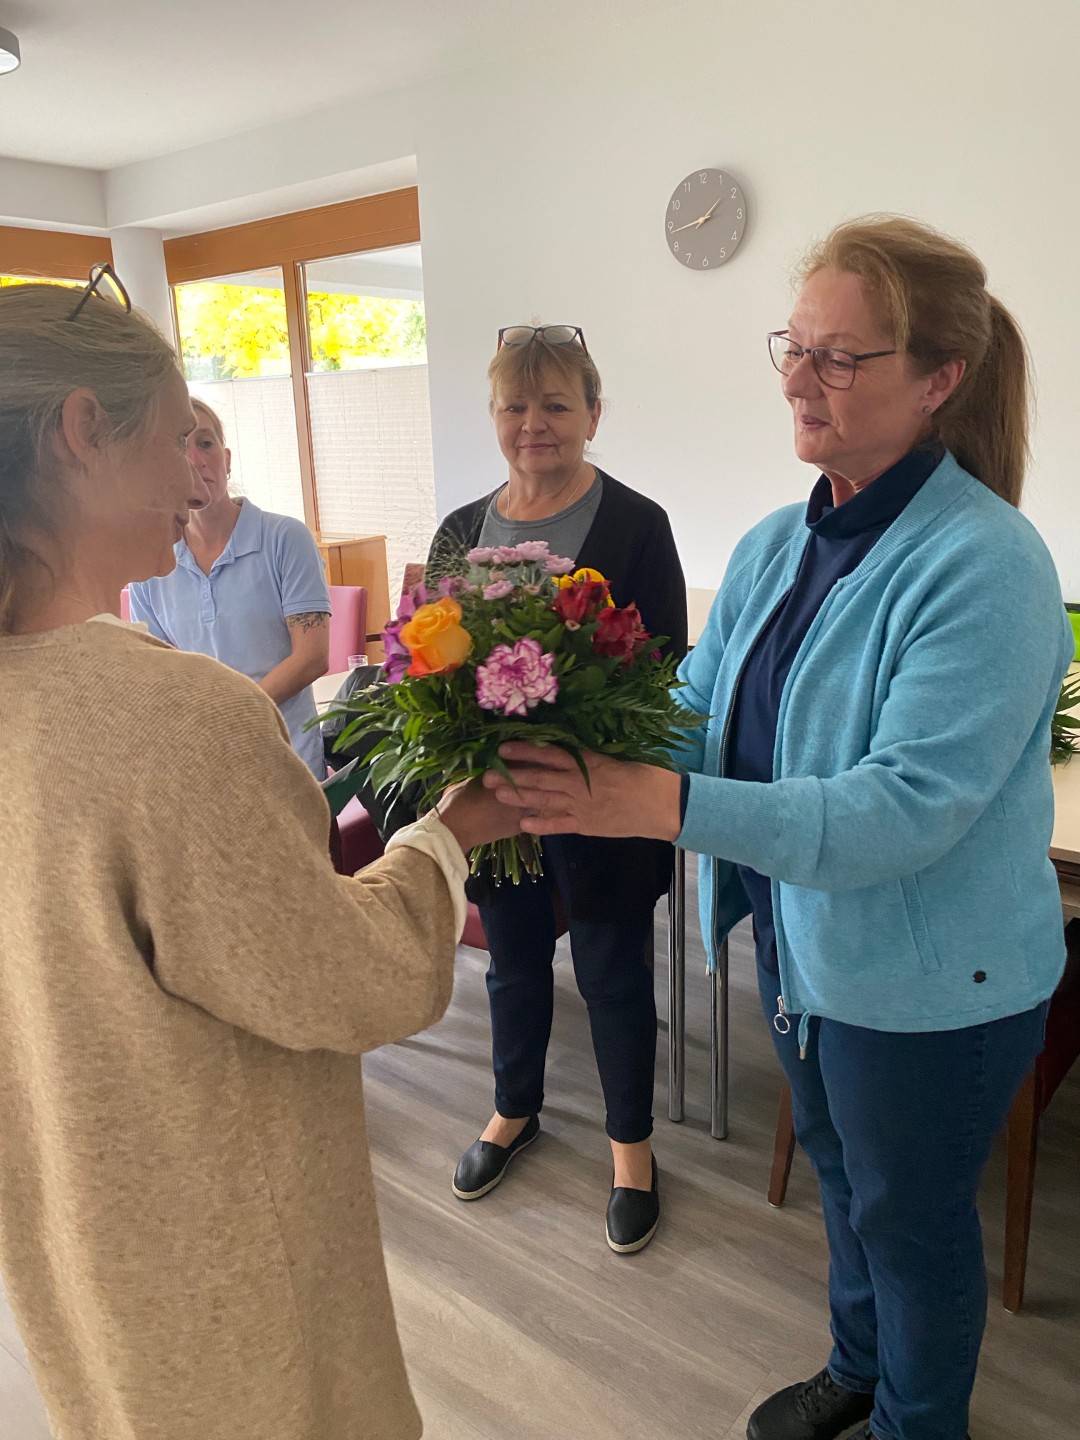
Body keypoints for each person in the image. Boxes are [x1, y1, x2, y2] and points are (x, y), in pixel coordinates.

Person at [485, 222, 1072, 1439]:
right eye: (793, 348)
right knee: (850, 1195)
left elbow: (900, 810)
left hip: (933, 988)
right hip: (809, 961)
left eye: (840, 357)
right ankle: (858, 1371)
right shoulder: (776, 541)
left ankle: (919, 1423)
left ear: (940, 379)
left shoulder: (986, 564)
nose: (800, 379)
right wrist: (573, 758)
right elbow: (694, 713)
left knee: (911, 1228)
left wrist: (663, 805)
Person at [0, 276, 517, 1440]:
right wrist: (447, 833)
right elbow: (346, 979)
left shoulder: (94, 687)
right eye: (181, 435)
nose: (199, 473)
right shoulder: (168, 716)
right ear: (83, 430)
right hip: (220, 1248)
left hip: (70, 1227)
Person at [430, 323, 687, 1253]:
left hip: (602, 798)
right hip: (499, 799)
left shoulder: (636, 525)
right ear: (494, 415)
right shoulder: (463, 530)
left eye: (554, 405)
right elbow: (434, 662)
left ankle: (631, 1145)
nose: (532, 424)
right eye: (514, 405)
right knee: (512, 962)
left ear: (592, 413)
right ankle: (514, 1110)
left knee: (614, 970)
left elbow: (664, 674)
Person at [129, 397, 330, 777]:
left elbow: (312, 657)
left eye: (204, 443)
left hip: (289, 763)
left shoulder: (284, 538)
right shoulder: (150, 559)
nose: (195, 459)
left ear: (227, 458)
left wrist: (229, 716)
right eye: (178, 446)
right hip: (204, 769)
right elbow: (158, 672)